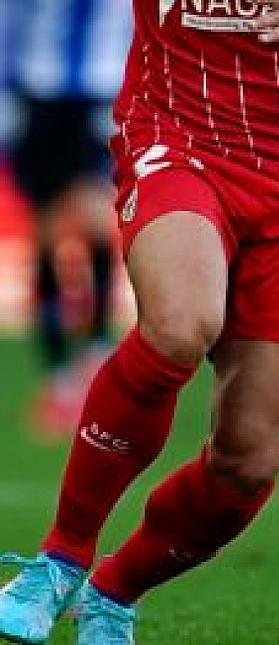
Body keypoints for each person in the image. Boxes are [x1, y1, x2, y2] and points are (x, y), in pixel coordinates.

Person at [0, 0, 279, 645]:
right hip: (180, 135)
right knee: (180, 326)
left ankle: (114, 593)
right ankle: (59, 560)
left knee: (251, 458)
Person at [4, 0, 133, 438]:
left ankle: (96, 350)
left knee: (96, 222)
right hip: (38, 96)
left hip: (101, 92)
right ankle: (58, 374)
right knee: (45, 235)